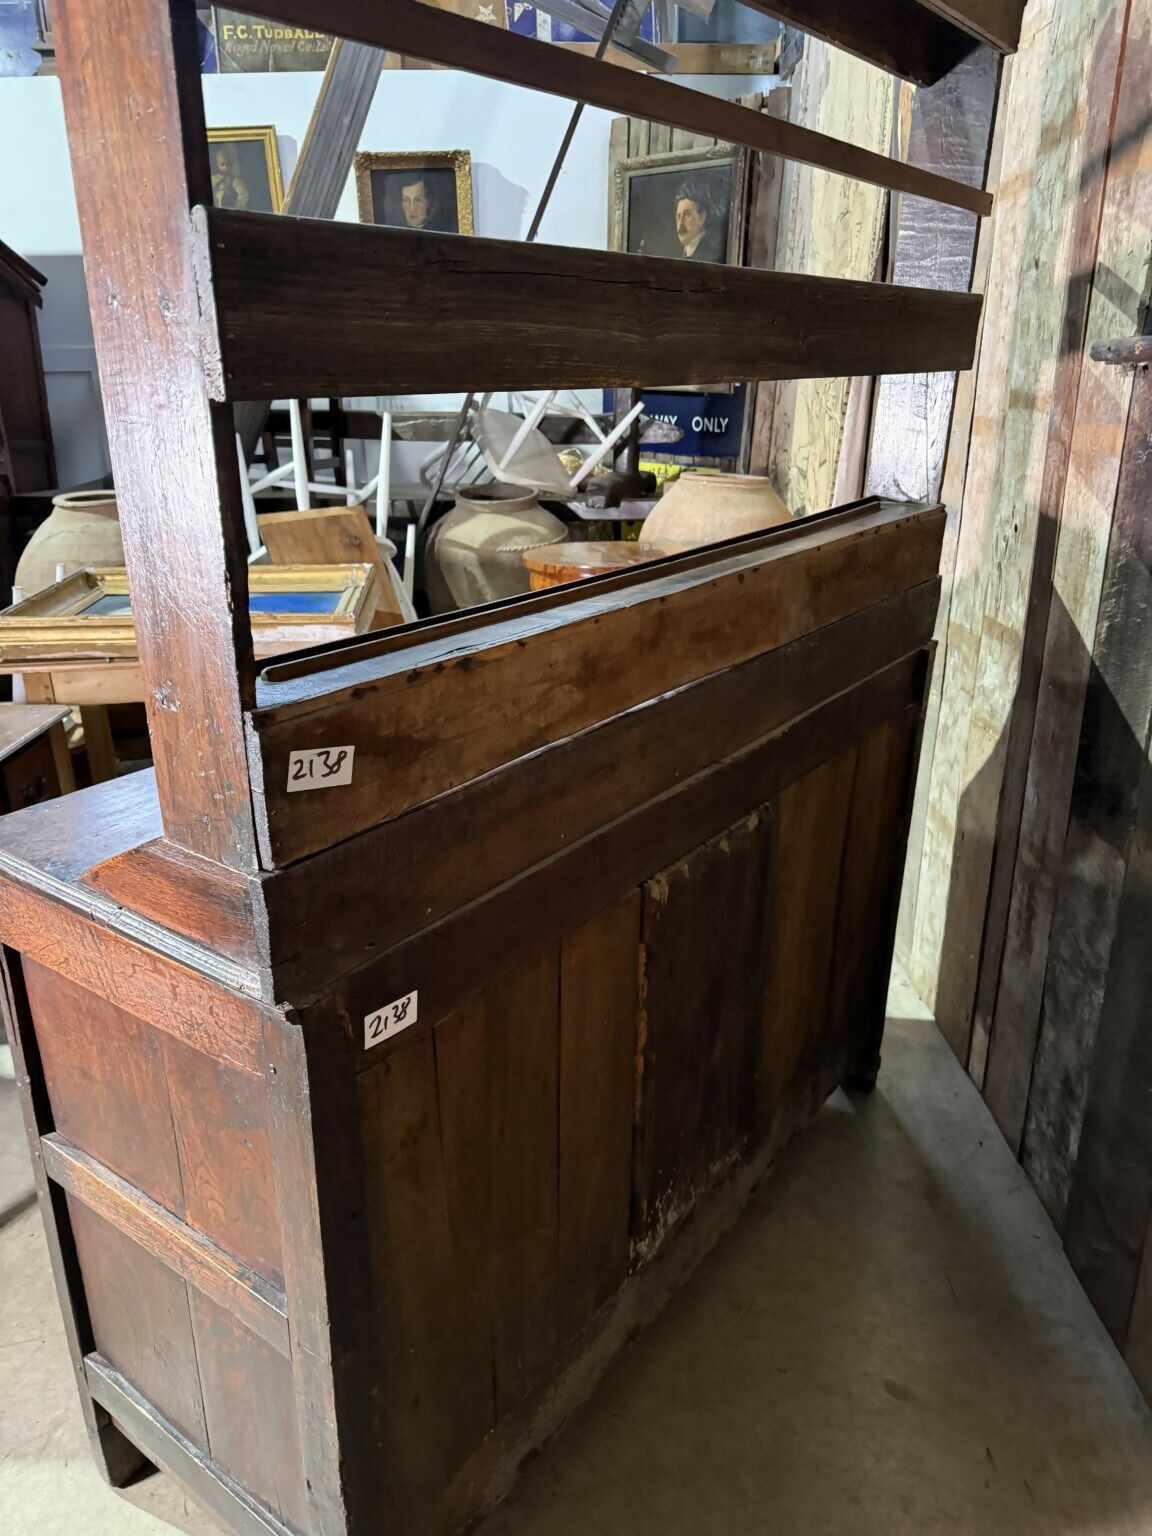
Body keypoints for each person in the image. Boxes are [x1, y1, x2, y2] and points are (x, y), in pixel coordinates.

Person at [673, 179, 725, 263]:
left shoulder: (710, 256)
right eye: (678, 216)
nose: (681, 223)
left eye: (687, 215)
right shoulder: (685, 253)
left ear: (702, 218)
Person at [211, 144, 250, 211]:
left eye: (228, 164)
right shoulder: (213, 179)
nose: (225, 167)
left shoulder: (235, 180)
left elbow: (243, 194)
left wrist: (238, 206)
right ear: (217, 164)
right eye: (222, 164)